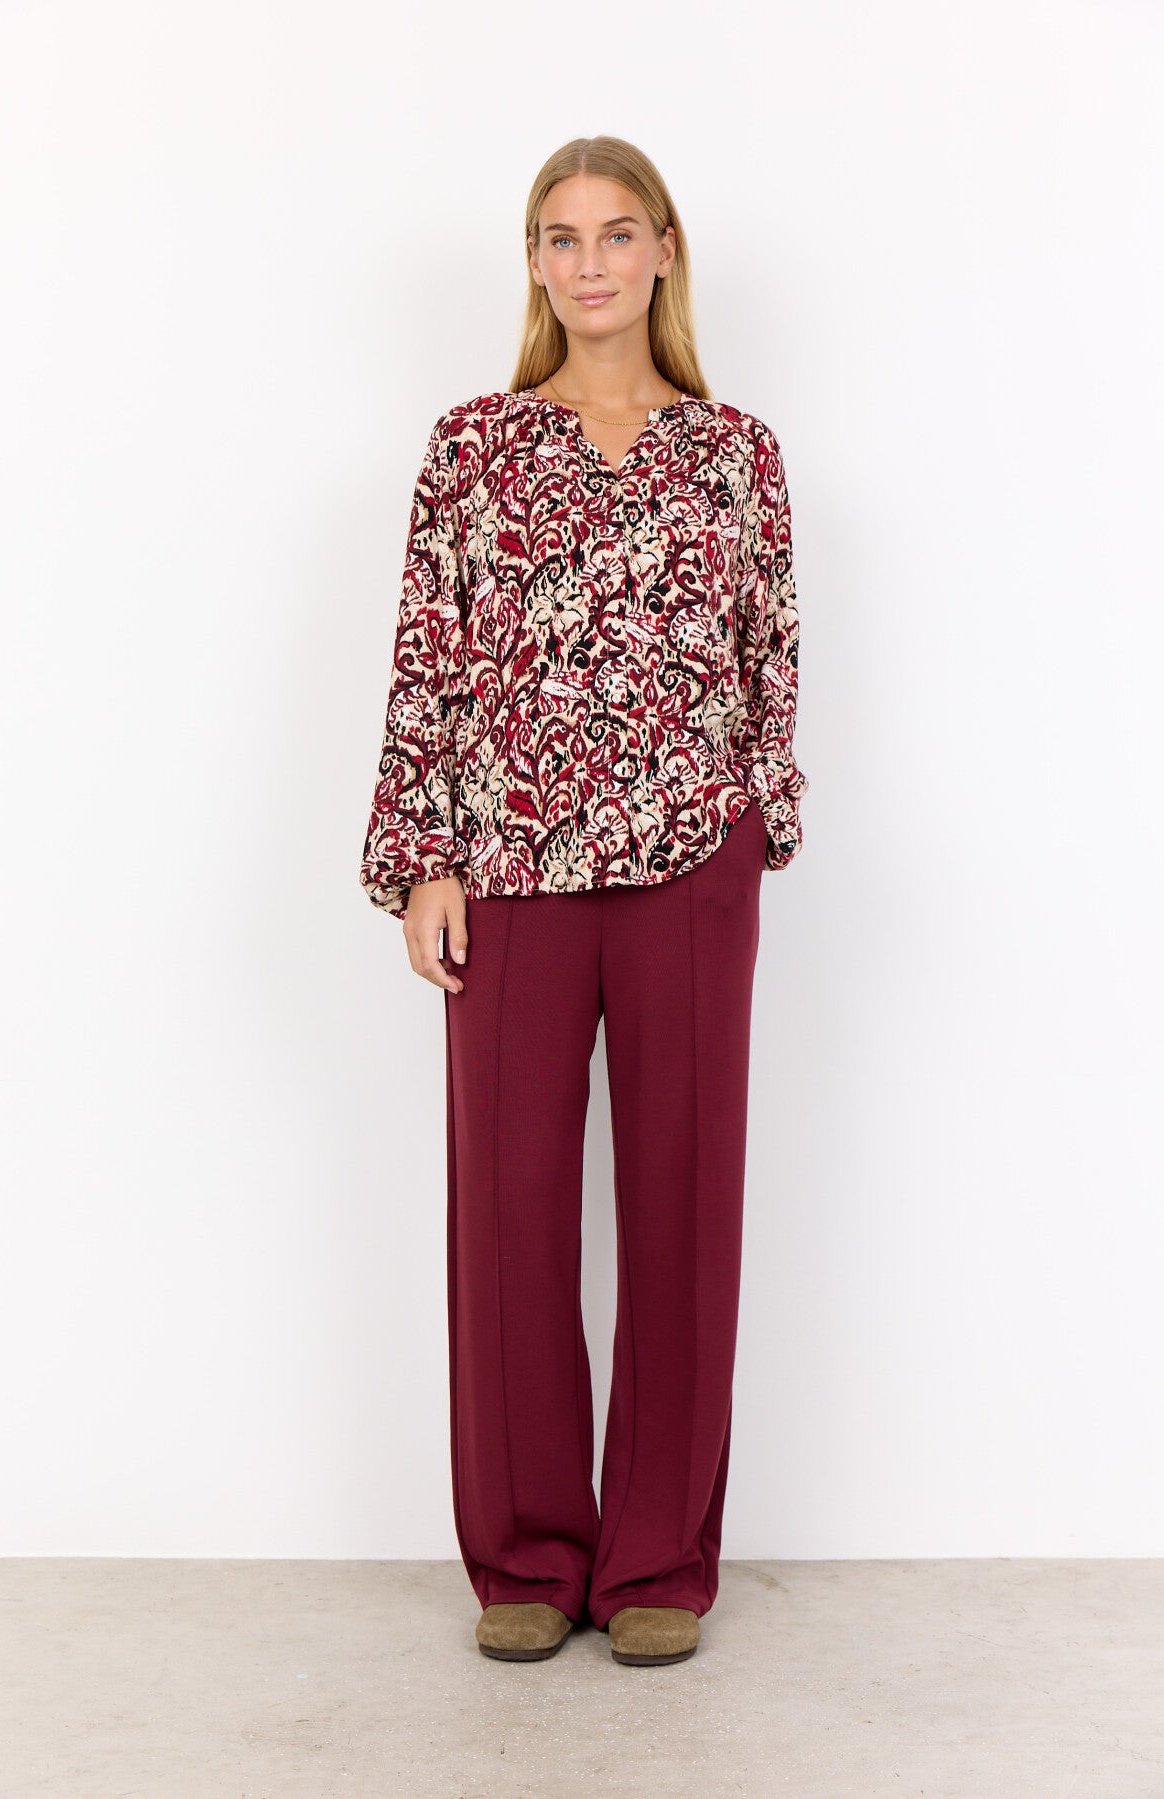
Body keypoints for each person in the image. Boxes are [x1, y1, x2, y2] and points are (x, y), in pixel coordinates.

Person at [359, 135, 808, 1667]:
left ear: (665, 250)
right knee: (511, 1210)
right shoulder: (472, 447)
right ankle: (529, 1557)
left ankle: (660, 1560)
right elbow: (428, 659)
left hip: (691, 864)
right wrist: (421, 856)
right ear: (536, 264)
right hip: (511, 871)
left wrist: (757, 826)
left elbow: (769, 653)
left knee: (684, 1205)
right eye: (563, 237)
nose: (592, 261)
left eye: (619, 233)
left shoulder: (736, 451)